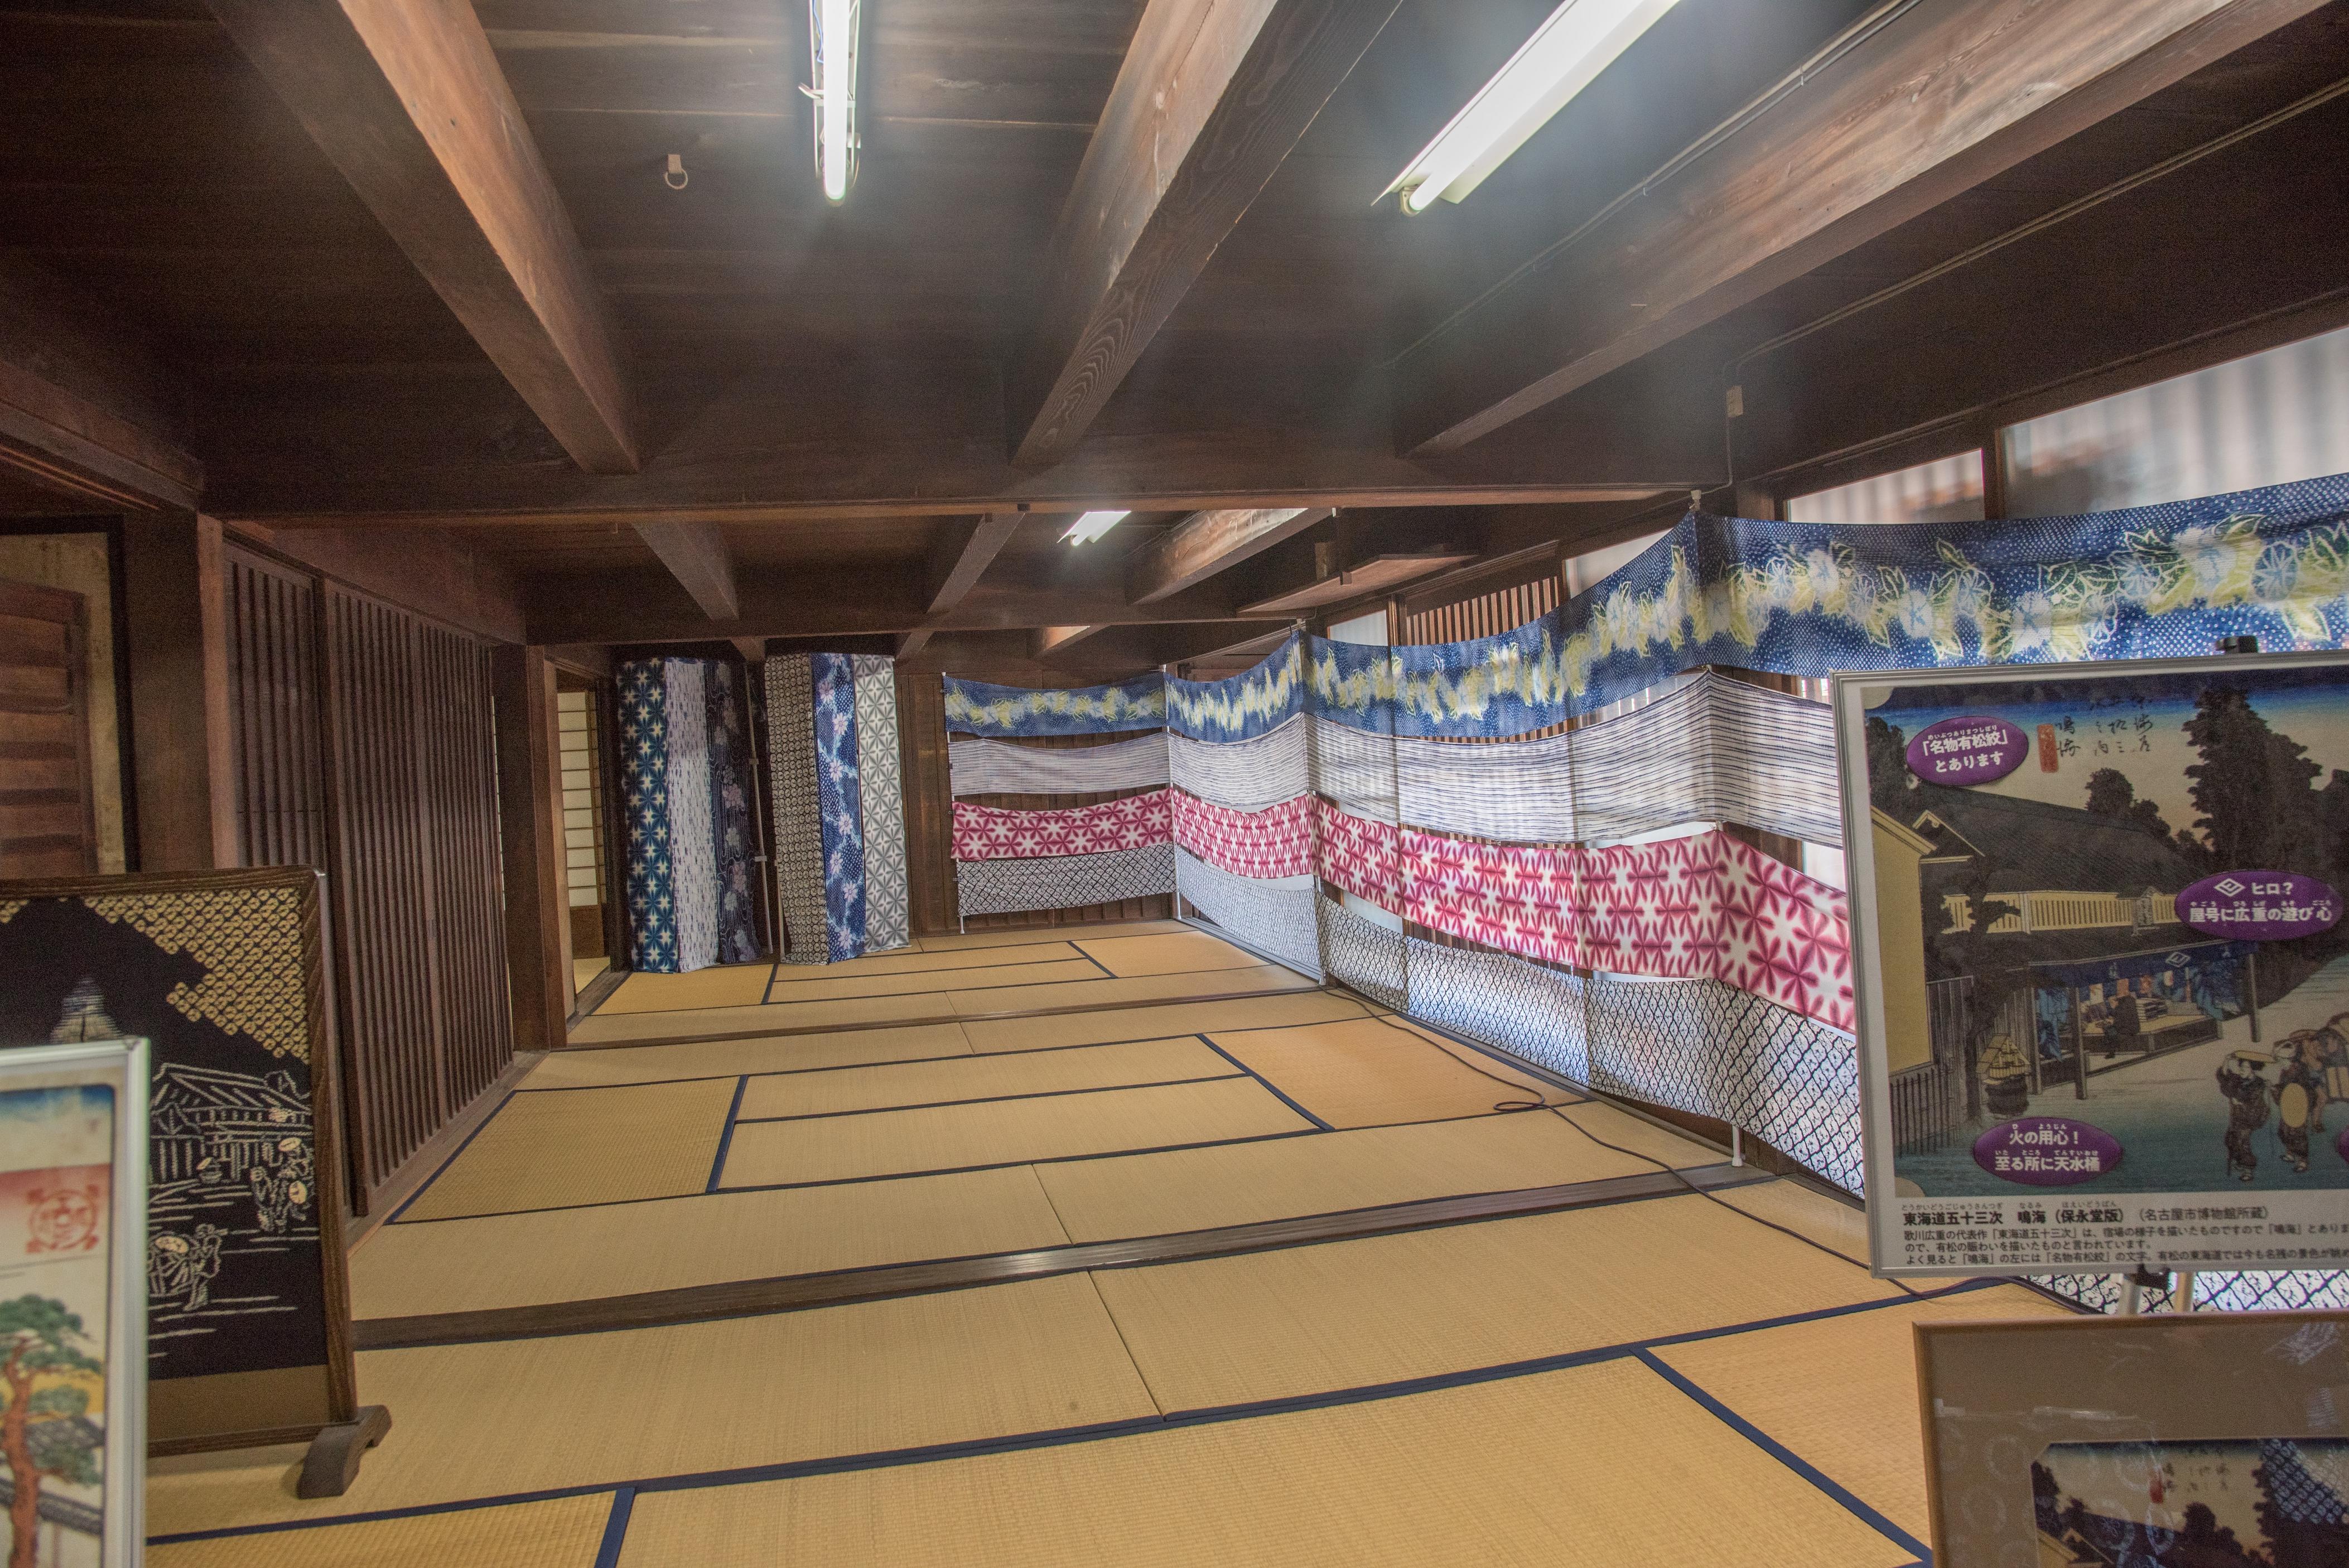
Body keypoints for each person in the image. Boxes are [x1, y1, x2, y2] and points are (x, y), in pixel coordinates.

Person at [2217, 1053, 2269, 1183]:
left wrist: (2240, 1103)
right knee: (2231, 1139)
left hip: (2249, 1118)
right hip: (2237, 1117)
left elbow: (2256, 1105)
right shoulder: (2239, 1079)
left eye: (2246, 1067)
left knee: (2242, 1142)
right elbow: (2224, 1076)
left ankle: (2248, 1171)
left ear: (2253, 1069)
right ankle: (2240, 1162)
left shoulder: (2258, 1084)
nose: (2242, 1070)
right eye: (2241, 1067)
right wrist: (2226, 1060)